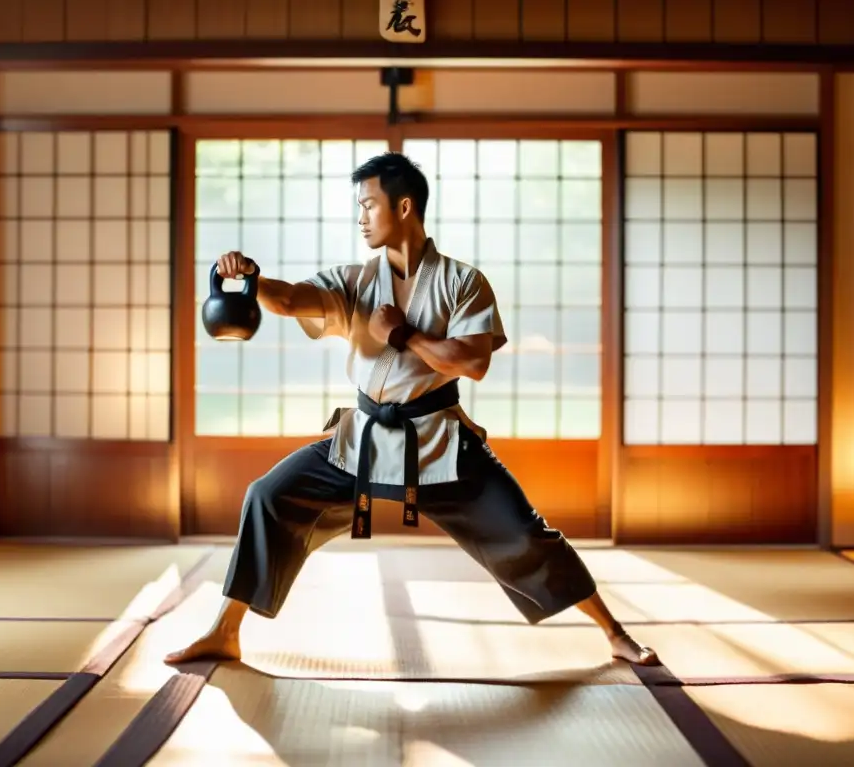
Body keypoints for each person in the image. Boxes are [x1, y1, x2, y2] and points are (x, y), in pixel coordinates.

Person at [167, 152, 659, 667]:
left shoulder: (462, 282)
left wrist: (403, 334)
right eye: (358, 207)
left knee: (525, 533)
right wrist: (251, 279)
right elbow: (292, 301)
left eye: (368, 205)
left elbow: (471, 362)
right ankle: (225, 631)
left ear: (404, 207)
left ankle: (615, 633)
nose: (360, 217)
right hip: (360, 440)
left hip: (439, 442)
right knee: (267, 496)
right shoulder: (356, 280)